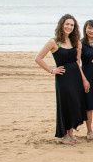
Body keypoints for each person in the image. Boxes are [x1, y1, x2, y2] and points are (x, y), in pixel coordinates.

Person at [35, 14, 88, 145]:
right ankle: (64, 136)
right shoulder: (53, 42)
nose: (69, 27)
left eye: (72, 25)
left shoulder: (76, 41)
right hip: (63, 78)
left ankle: (71, 133)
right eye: (67, 24)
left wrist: (84, 79)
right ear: (61, 25)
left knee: (75, 103)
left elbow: (77, 62)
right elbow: (38, 58)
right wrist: (52, 70)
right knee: (66, 104)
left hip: (75, 76)